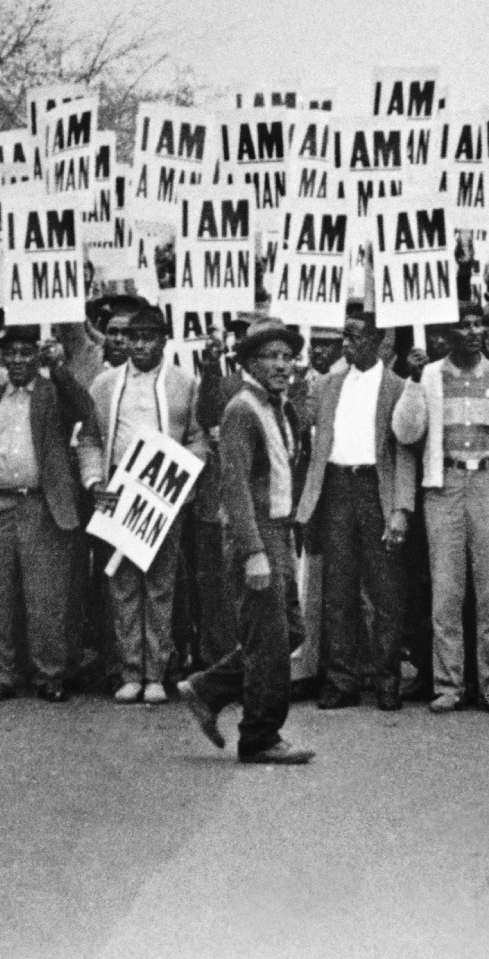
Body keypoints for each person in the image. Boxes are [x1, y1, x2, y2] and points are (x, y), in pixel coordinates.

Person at [179, 318, 315, 765]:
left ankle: (208, 688)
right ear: (249, 363)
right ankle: (260, 736)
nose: (281, 364)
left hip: (276, 531)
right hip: (254, 536)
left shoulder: (277, 405)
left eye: (286, 356)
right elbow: (233, 484)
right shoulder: (242, 409)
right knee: (271, 641)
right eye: (270, 357)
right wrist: (254, 551)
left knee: (287, 631)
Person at [392, 301, 489, 715]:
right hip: (444, 483)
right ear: (448, 334)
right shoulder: (429, 374)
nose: (473, 332)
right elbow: (405, 431)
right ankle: (448, 683)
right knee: (446, 590)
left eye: (478, 326)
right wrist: (413, 381)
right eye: (463, 326)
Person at [78, 303, 209, 704]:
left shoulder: (185, 383)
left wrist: (185, 480)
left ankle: (157, 672)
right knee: (121, 583)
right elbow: (90, 439)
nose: (139, 345)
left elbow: (197, 437)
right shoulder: (104, 384)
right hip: (119, 485)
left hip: (162, 492)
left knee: (160, 584)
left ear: (164, 341)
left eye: (148, 337)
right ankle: (130, 671)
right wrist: (94, 480)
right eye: (133, 338)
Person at [0, 324, 96, 701]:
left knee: (46, 595)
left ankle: (49, 673)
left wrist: (59, 369)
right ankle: (0, 673)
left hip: (40, 503)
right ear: (3, 357)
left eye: (26, 352)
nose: (18, 360)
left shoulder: (54, 392)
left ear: (37, 356)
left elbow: (85, 409)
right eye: (12, 353)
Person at [293, 308, 417, 711]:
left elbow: (405, 452)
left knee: (385, 592)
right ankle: (341, 680)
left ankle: (386, 680)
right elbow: (302, 427)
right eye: (345, 336)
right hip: (336, 488)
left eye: (354, 336)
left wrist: (401, 508)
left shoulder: (398, 386)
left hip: (374, 490)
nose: (346, 344)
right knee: (338, 590)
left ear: (379, 341)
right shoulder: (328, 384)